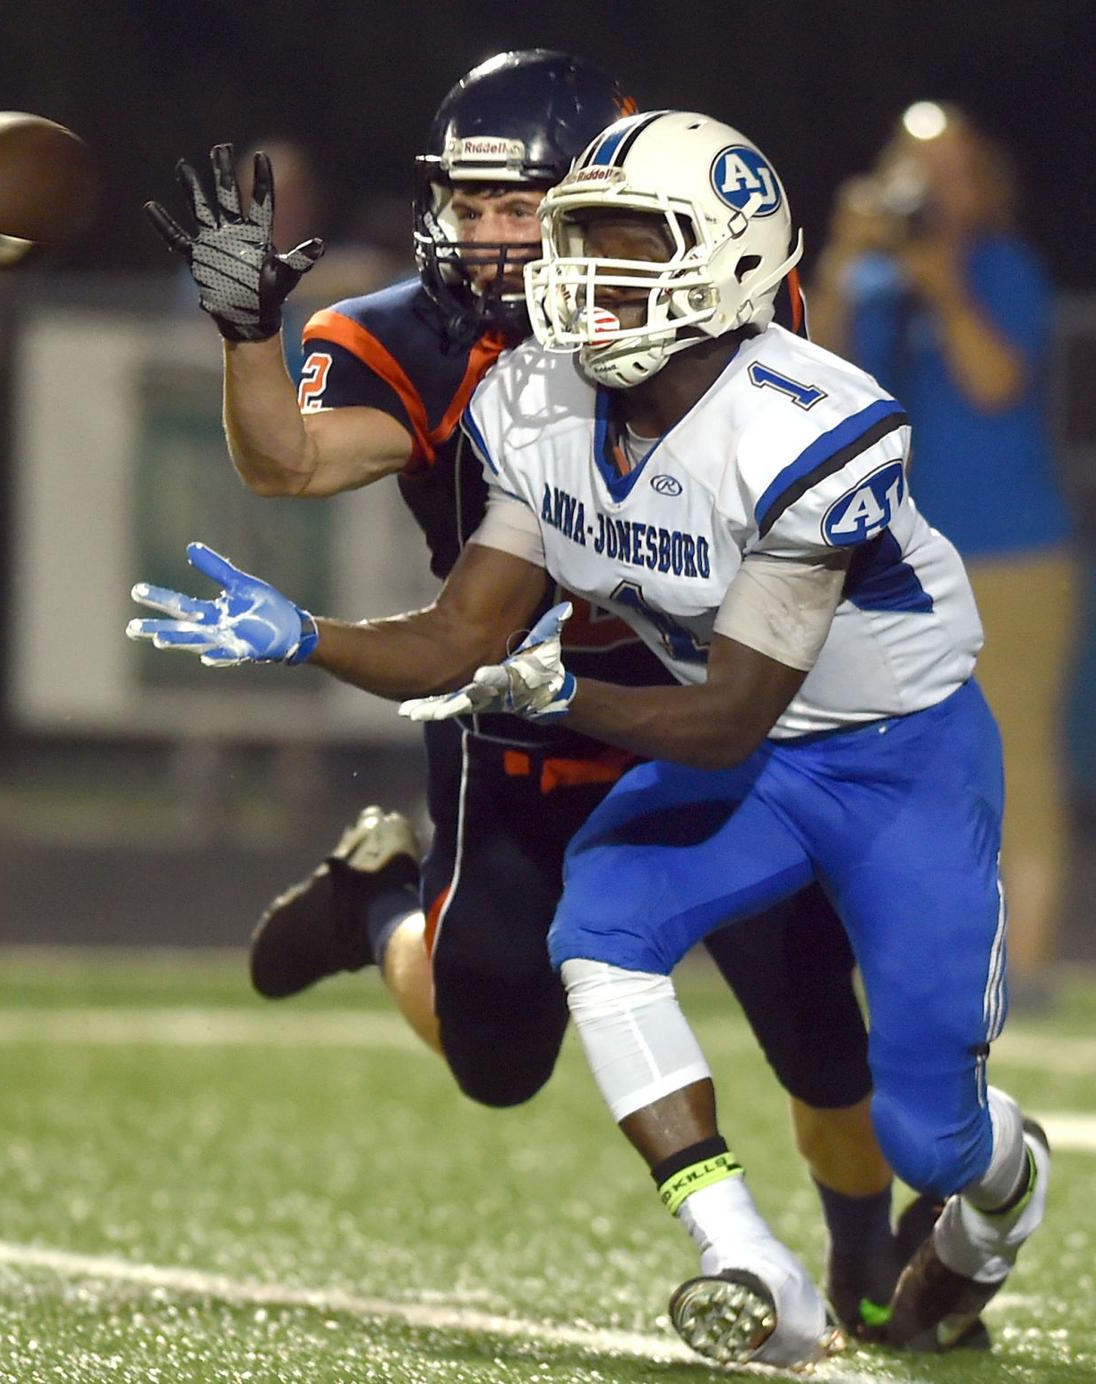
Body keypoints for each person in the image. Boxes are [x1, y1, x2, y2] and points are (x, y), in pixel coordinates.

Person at [145, 62, 914, 1357]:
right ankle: (380, 904)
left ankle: (862, 1255)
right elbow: (289, 462)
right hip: (516, 716)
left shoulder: (712, 300)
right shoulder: (418, 336)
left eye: (524, 204)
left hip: (704, 713)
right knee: (495, 1063)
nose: (493, 234)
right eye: (472, 203)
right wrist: (245, 334)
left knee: (822, 1034)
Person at [808, 102, 1077, 1008]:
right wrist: (845, 258)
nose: (939, 188)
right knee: (891, 757)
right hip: (901, 557)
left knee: (1015, 756)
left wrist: (946, 282)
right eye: (923, 168)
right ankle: (899, 961)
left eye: (959, 168)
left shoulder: (1004, 271)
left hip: (1012, 553)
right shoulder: (879, 281)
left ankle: (1027, 967)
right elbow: (816, 377)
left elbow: (998, 382)